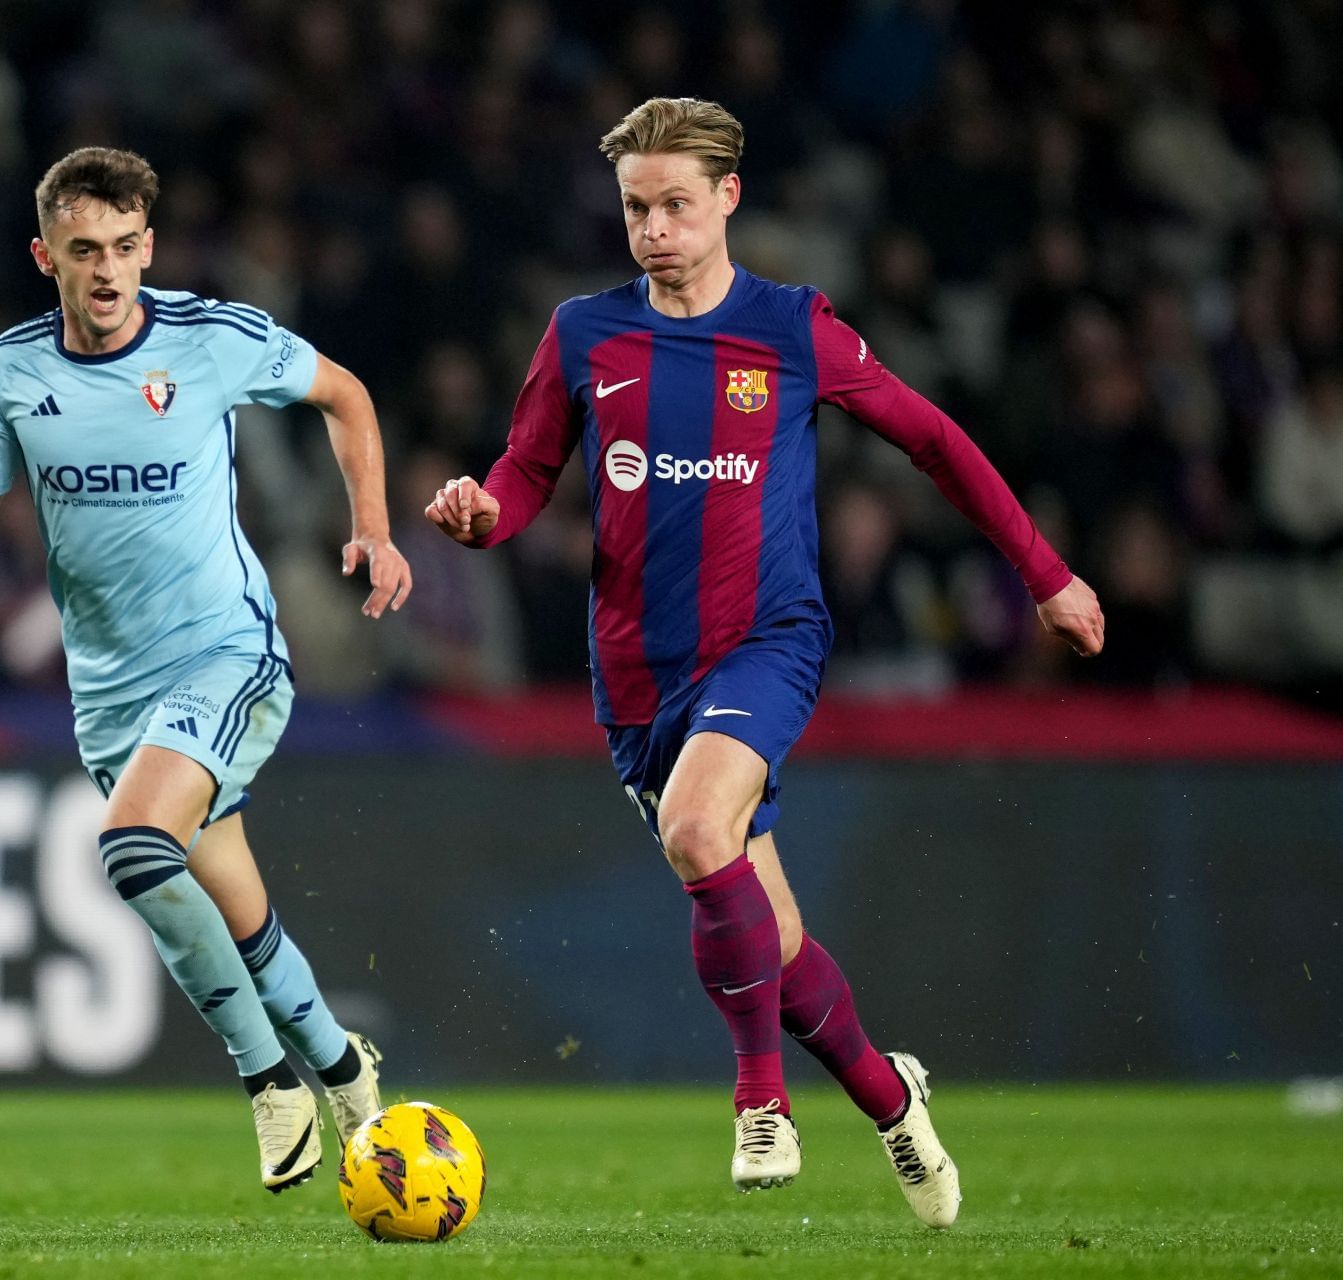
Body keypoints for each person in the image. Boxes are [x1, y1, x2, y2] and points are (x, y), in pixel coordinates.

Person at [425, 99, 1104, 1226]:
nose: (654, 230)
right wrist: (478, 514)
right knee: (772, 943)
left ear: (729, 197)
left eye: (677, 206)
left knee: (700, 832)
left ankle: (760, 1100)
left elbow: (933, 438)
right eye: (637, 208)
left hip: (766, 643)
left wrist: (1045, 573)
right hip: (636, 673)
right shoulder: (583, 334)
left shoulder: (792, 328)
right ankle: (893, 1098)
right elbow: (525, 476)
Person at [0, 147, 412, 1192]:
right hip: (109, 692)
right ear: (44, 255)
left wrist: (372, 527)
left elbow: (348, 396)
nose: (105, 271)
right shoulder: (11, 371)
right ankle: (340, 1066)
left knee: (133, 844)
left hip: (227, 653)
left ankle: (267, 1080)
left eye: (122, 248)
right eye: (82, 251)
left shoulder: (211, 340)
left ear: (148, 246)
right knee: (233, 905)